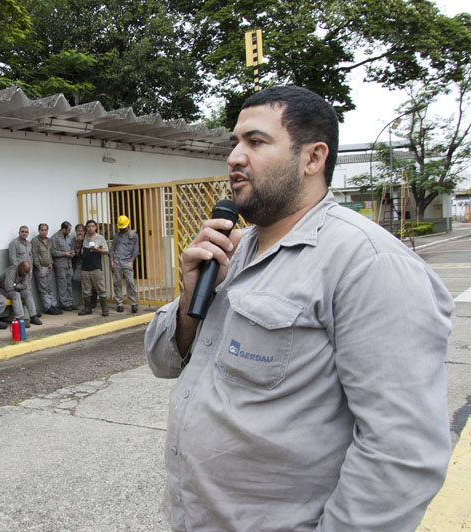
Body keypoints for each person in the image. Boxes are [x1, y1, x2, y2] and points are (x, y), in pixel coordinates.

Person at [144, 85, 454, 531]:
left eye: (255, 141)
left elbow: (401, 454)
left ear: (312, 158)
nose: (234, 156)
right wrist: (192, 298)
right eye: (234, 142)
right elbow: (161, 361)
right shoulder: (234, 249)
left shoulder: (368, 263)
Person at [77, 220, 109, 316]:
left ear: (95, 227)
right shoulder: (84, 237)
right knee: (86, 290)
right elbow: (78, 249)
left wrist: (97, 250)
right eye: (88, 226)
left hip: (96, 267)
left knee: (101, 289)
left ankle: (105, 309)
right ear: (86, 228)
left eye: (92, 226)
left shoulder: (100, 238)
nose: (90, 228)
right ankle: (88, 308)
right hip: (85, 268)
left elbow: (106, 251)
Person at [0, 261, 42, 327]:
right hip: (2, 289)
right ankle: (20, 318)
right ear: (20, 268)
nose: (25, 275)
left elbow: (25, 285)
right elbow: (8, 287)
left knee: (27, 293)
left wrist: (15, 285)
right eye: (24, 272)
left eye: (26, 273)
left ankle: (33, 316)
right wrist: (17, 285)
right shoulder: (12, 270)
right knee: (16, 295)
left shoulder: (25, 272)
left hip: (14, 288)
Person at [109, 215, 140, 313]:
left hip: (127, 262)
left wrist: (131, 260)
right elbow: (112, 249)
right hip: (117, 262)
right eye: (121, 228)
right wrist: (111, 261)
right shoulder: (116, 236)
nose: (122, 229)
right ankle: (119, 303)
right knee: (116, 283)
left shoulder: (134, 236)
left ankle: (133, 303)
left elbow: (136, 249)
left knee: (130, 283)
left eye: (124, 228)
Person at [31, 223, 62, 315]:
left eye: (45, 230)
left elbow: (49, 253)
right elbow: (35, 255)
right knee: (43, 289)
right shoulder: (35, 241)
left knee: (50, 288)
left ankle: (54, 305)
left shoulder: (49, 240)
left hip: (48, 267)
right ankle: (48, 307)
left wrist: (51, 263)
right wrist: (38, 266)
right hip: (40, 268)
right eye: (42, 230)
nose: (44, 232)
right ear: (39, 231)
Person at [50, 221, 76, 311]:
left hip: (69, 264)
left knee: (69, 284)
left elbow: (72, 248)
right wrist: (64, 254)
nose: (69, 231)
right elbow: (52, 252)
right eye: (68, 230)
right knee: (63, 285)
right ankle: (64, 304)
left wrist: (72, 253)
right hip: (60, 264)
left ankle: (70, 302)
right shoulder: (55, 238)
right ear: (63, 229)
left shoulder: (69, 237)